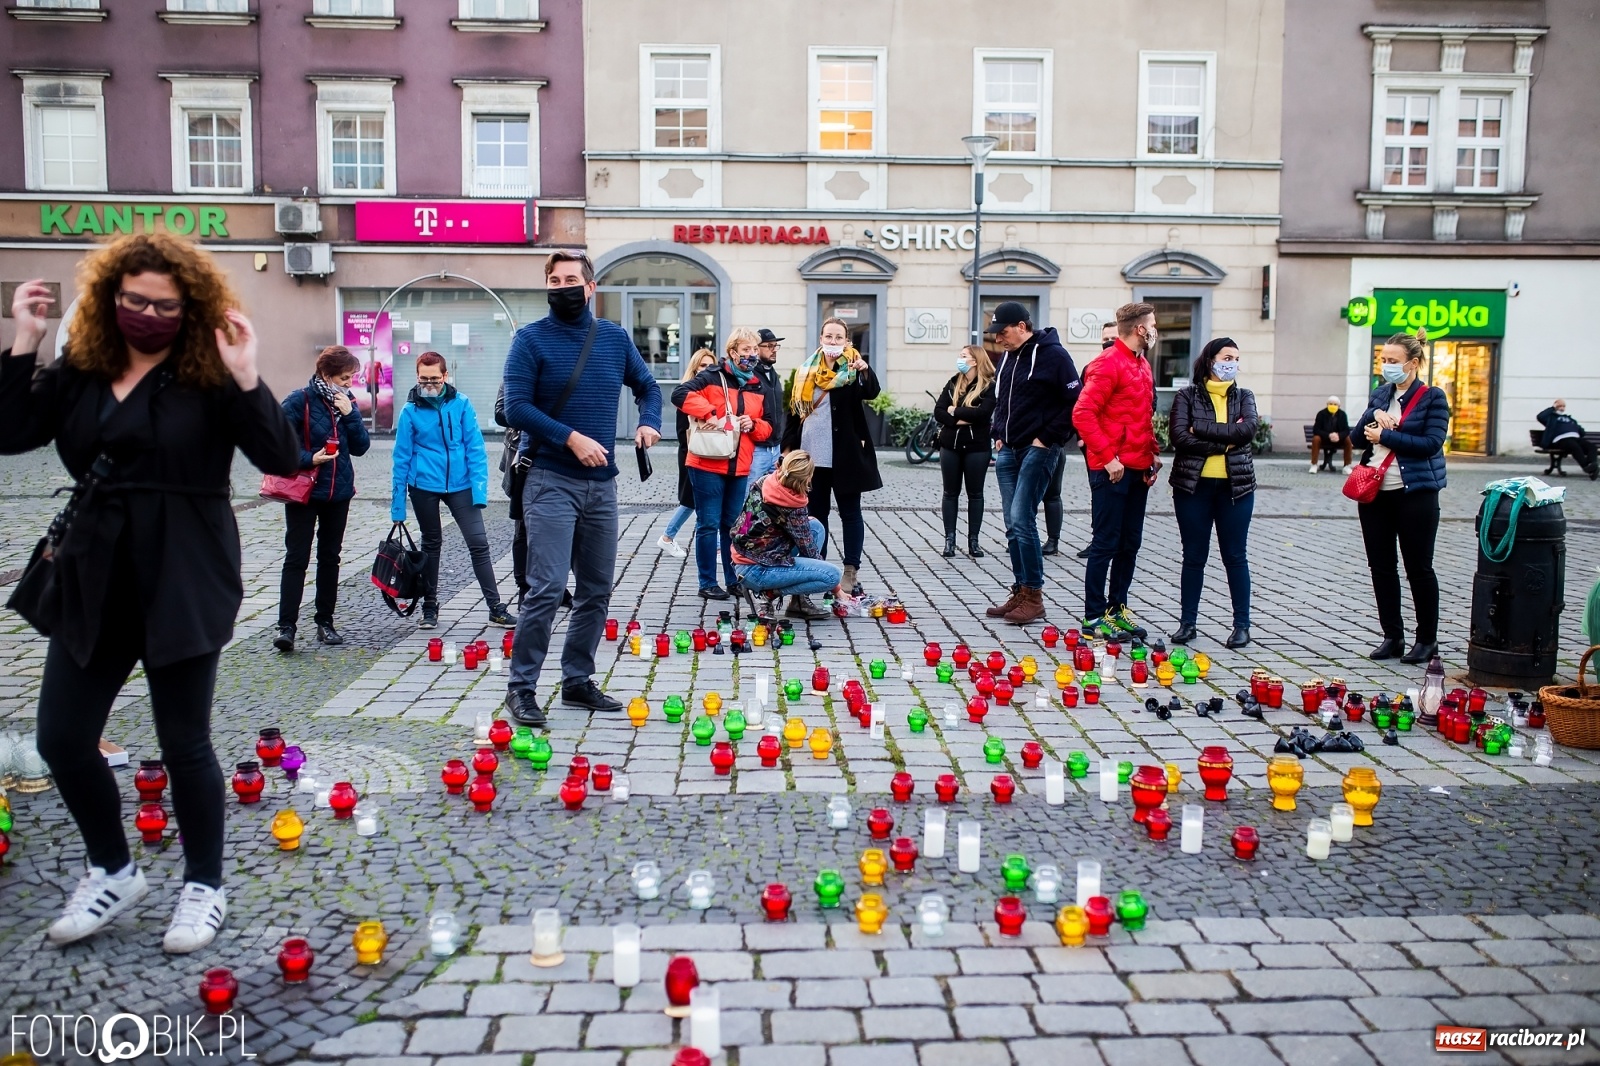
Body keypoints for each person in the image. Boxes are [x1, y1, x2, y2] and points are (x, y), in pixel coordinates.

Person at [2, 235, 300, 953]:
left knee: (183, 742)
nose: (147, 314)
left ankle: (205, 885)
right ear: (110, 299)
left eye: (164, 306)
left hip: (185, 571)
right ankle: (112, 869)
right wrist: (25, 340)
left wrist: (247, 376)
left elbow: (283, 459)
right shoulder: (82, 369)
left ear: (187, 309)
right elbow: (11, 431)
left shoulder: (207, 376)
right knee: (62, 740)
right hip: (93, 570)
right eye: (134, 300)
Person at [501, 250, 662, 727]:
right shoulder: (529, 341)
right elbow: (516, 408)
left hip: (601, 486)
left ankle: (576, 681)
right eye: (554, 280)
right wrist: (569, 437)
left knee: (596, 590)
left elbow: (648, 387)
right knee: (547, 587)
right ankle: (521, 688)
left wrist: (649, 424)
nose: (562, 286)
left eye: (571, 279)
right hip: (550, 479)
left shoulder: (612, 338)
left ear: (590, 288)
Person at [391, 352, 513, 630]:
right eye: (424, 379)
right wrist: (398, 507)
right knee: (431, 545)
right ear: (417, 377)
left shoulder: (461, 404)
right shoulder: (410, 411)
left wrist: (479, 493)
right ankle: (430, 606)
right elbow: (401, 459)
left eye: (435, 378)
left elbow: (475, 450)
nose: (430, 384)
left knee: (478, 543)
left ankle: (495, 607)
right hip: (423, 486)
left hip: (461, 485)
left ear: (446, 376)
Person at [1354, 329, 1449, 664]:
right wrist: (1371, 418)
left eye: (1393, 361)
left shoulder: (1432, 397)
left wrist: (1387, 436)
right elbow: (1356, 438)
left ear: (1414, 363)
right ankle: (1392, 636)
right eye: (1383, 360)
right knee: (1381, 566)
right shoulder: (1381, 394)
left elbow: (1431, 444)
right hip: (1375, 492)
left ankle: (1427, 640)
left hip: (1415, 494)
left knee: (1418, 567)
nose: (1386, 366)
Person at [984, 302, 1081, 625]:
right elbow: (1001, 399)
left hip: (1038, 448)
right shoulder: (1010, 357)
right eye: (995, 333)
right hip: (1009, 448)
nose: (998, 338)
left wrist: (1047, 437)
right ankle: (1021, 591)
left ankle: (1035, 596)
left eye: (1003, 331)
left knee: (1022, 519)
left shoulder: (1054, 355)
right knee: (1013, 525)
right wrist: (998, 432)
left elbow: (1073, 401)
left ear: (1023, 326)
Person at [273, 345, 371, 652]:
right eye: (344, 377)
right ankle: (286, 626)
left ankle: (324, 623)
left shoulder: (348, 402)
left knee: (330, 558)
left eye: (352, 377)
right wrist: (308, 458)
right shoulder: (299, 399)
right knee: (296, 558)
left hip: (338, 493)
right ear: (326, 375)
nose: (348, 383)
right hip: (304, 491)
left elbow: (361, 447)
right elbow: (277, 444)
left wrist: (351, 414)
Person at [1073, 302, 1162, 639]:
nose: (1156, 330)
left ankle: (1116, 608)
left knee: (1130, 543)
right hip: (1111, 469)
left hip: (1137, 466)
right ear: (1140, 329)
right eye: (1153, 324)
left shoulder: (1142, 365)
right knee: (1106, 542)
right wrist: (1108, 458)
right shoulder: (1108, 364)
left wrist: (1152, 451)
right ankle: (1093, 617)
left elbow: (1139, 415)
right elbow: (1082, 414)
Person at [782, 317, 881, 603]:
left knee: (850, 513)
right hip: (812, 456)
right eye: (829, 336)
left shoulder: (853, 367)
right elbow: (794, 412)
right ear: (821, 338)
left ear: (847, 341)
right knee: (816, 515)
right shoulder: (805, 370)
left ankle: (850, 569)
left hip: (846, 454)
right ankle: (819, 566)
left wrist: (865, 370)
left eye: (839, 337)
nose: (834, 341)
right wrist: (787, 448)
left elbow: (872, 393)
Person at [1166, 338, 1258, 649]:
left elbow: (1247, 432)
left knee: (1235, 556)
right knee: (1193, 556)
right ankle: (1188, 623)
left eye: (1236, 357)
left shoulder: (1245, 396)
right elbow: (1179, 437)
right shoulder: (1187, 395)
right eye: (1226, 356)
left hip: (1236, 488)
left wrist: (1201, 430)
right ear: (1210, 360)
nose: (1232, 362)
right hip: (1194, 487)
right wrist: (1225, 441)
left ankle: (1241, 626)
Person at [672, 328, 772, 598]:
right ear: (732, 352)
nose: (751, 355)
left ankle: (733, 579)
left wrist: (754, 424)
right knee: (708, 523)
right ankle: (707, 583)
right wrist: (713, 414)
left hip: (739, 466)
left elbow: (770, 429)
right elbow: (679, 395)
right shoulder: (711, 376)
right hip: (706, 463)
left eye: (754, 350)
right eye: (746, 350)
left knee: (732, 524)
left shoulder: (757, 384)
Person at [732, 449, 843, 617]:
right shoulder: (792, 505)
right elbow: (810, 552)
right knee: (832, 575)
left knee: (816, 527)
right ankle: (768, 593)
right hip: (756, 571)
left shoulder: (766, 481)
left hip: (742, 556)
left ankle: (799, 602)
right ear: (806, 478)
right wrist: (838, 591)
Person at [933, 344, 995, 558]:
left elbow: (984, 414)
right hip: (950, 445)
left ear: (975, 360)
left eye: (963, 356)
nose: (959, 359)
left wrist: (955, 411)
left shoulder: (988, 386)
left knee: (975, 494)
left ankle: (973, 542)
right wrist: (960, 418)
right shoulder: (953, 383)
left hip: (977, 447)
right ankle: (949, 540)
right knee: (950, 493)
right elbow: (939, 411)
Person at [654, 348, 715, 557]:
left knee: (697, 502)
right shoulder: (687, 393)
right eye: (703, 366)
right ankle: (669, 538)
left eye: (711, 366)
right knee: (693, 501)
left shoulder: (709, 391)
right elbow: (684, 433)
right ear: (695, 368)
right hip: (693, 453)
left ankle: (670, 538)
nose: (707, 370)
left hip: (706, 452)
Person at [1071, 321, 1121, 560]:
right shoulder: (1093, 367)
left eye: (1113, 338)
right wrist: (1082, 439)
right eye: (1105, 339)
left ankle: (1118, 540)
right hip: (1096, 445)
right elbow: (1082, 405)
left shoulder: (1139, 367)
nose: (1108, 343)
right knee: (1099, 493)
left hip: (1125, 445)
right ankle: (1099, 539)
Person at [748, 328, 787, 483]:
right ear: (757, 349)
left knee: (770, 495)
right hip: (758, 449)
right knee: (749, 492)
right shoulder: (751, 375)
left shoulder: (773, 374)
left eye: (775, 346)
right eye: (769, 346)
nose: (774, 350)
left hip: (775, 448)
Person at [1537, 399, 1598, 479]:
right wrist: (1553, 408)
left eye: (1563, 406)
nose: (1562, 408)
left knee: (1592, 447)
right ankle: (1586, 467)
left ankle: (1592, 466)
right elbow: (1540, 416)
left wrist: (1576, 427)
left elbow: (1582, 431)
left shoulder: (1569, 419)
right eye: (1559, 406)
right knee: (1574, 446)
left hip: (1575, 437)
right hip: (1561, 439)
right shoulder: (1551, 418)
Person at [1311, 395, 1352, 474]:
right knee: (1316, 439)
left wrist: (1339, 435)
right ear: (1327, 405)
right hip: (1324, 439)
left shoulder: (1342, 415)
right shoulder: (1321, 414)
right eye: (1330, 403)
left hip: (1338, 439)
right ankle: (1314, 464)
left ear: (1339, 406)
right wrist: (1328, 435)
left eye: (1335, 404)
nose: (1332, 406)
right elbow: (1316, 429)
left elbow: (1346, 430)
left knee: (1348, 440)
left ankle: (1347, 466)